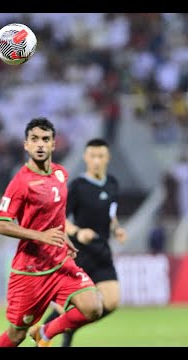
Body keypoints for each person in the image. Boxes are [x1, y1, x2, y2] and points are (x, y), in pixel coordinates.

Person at [0, 117, 103, 347]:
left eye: (45, 139)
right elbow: (1, 224)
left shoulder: (61, 174)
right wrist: (41, 236)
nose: (40, 144)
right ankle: (35, 333)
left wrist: (63, 235)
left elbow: (55, 213)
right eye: (34, 139)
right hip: (31, 271)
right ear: (26, 145)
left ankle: (45, 332)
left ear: (54, 144)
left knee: (93, 307)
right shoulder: (20, 182)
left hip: (61, 262)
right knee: (16, 334)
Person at [43, 137, 127, 346]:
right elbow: (60, 218)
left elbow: (111, 214)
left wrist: (116, 229)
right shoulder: (78, 186)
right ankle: (49, 331)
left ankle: (53, 330)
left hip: (102, 251)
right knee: (76, 306)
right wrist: (78, 232)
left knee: (112, 302)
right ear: (85, 158)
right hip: (79, 253)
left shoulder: (113, 183)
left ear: (107, 158)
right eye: (92, 156)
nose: (96, 161)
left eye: (101, 156)